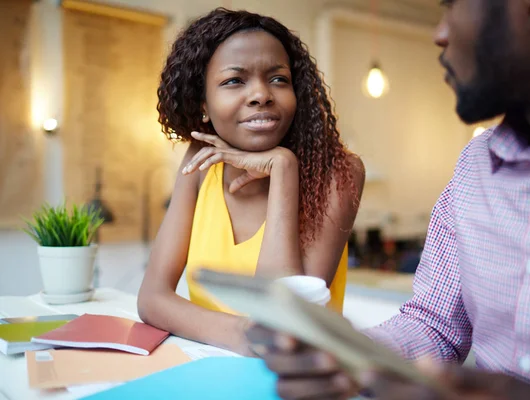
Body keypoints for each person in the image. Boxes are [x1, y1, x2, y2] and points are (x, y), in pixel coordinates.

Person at [247, 0, 530, 398]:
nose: (440, 33)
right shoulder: (476, 166)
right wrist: (349, 355)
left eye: (452, 5)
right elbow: (434, 326)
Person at [138, 8, 365, 356]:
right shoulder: (200, 164)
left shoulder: (338, 172)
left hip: (301, 380)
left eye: (278, 79)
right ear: (204, 103)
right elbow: (152, 299)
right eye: (234, 80)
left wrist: (283, 168)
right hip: (212, 368)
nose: (262, 94)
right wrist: (247, 335)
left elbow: (287, 320)